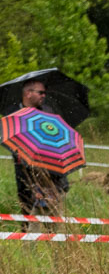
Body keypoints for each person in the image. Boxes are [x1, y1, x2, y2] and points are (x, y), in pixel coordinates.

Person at [13, 77, 69, 218]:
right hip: (25, 173)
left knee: (53, 219)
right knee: (28, 217)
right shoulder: (15, 116)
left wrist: (58, 182)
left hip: (51, 174)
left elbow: (59, 141)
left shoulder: (49, 112)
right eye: (41, 92)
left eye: (45, 93)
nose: (44, 95)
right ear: (28, 93)